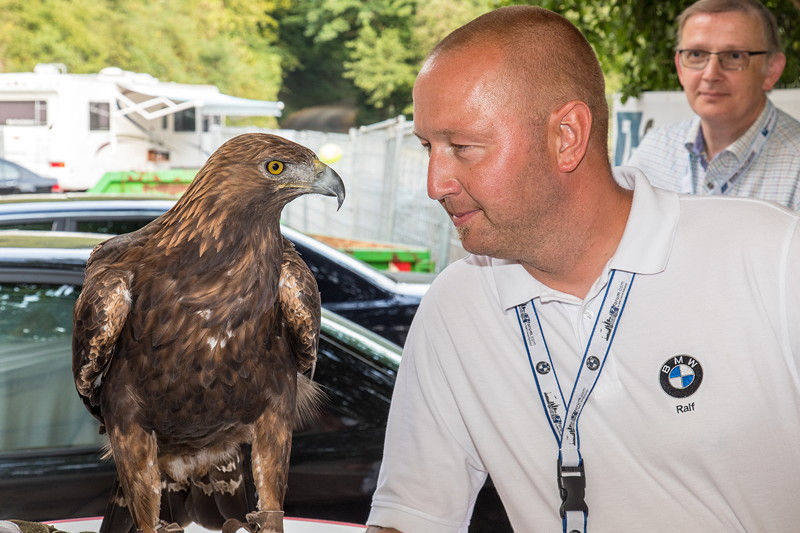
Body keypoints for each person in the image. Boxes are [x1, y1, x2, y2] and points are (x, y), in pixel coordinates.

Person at [365, 5, 800, 533]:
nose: (435, 183)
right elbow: (411, 517)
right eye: (427, 147)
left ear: (567, 135)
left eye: (462, 147)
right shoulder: (454, 306)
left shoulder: (774, 255)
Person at [627, 0, 800, 209]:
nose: (711, 74)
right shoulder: (653, 154)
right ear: (680, 69)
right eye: (696, 55)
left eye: (735, 56)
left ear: (771, 70)